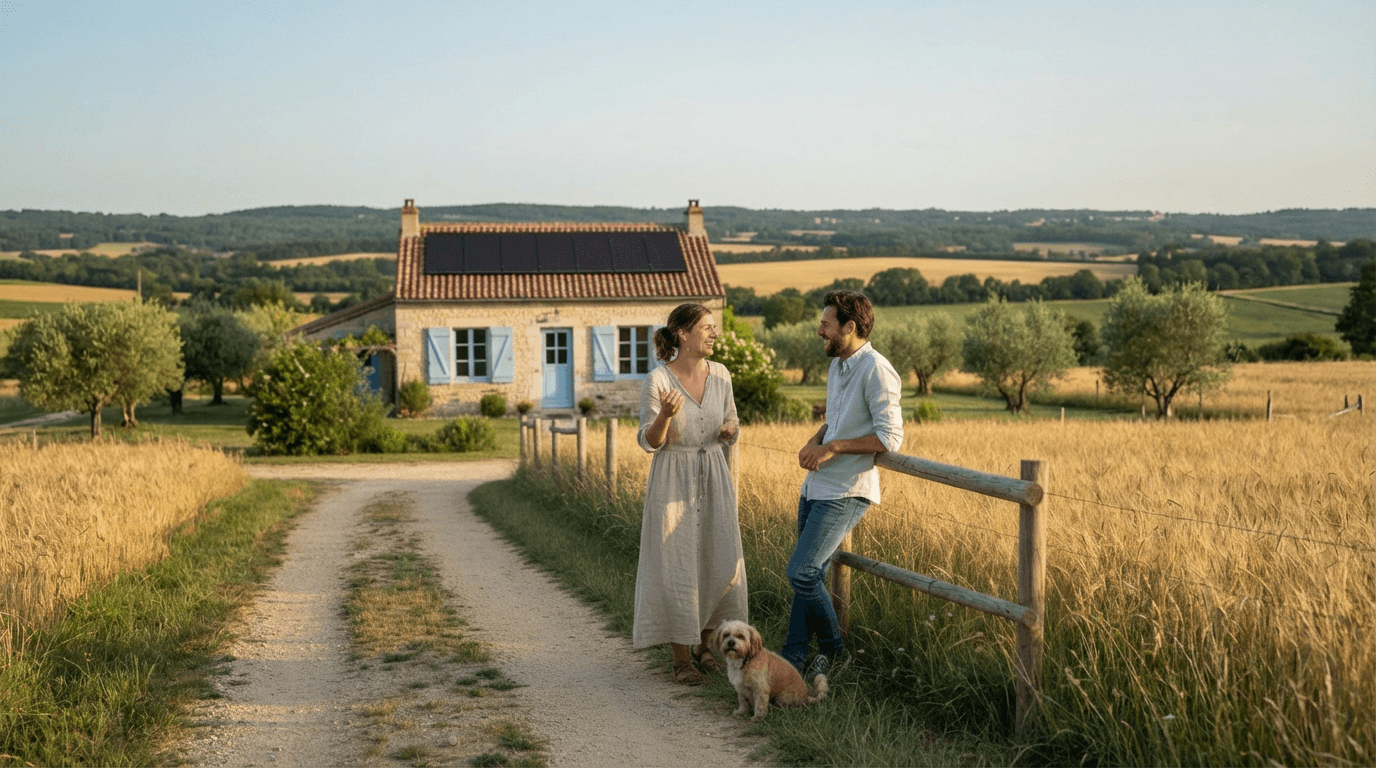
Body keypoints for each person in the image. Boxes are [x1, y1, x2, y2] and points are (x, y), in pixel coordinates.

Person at [783, 290, 905, 680]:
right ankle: (793, 658)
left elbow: (890, 438)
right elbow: (836, 421)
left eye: (826, 323)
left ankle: (836, 655)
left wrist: (833, 446)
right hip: (817, 486)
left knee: (801, 573)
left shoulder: (877, 370)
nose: (819, 330)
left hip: (848, 490)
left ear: (849, 327)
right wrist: (816, 441)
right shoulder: (838, 365)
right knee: (811, 574)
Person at [633, 303, 746, 684]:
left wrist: (731, 430)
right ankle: (680, 657)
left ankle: (705, 647)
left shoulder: (722, 375)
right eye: (707, 327)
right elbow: (649, 442)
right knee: (675, 564)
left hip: (715, 475)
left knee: (716, 559)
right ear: (682, 334)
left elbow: (731, 419)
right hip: (673, 477)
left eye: (715, 327)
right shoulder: (658, 380)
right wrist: (664, 415)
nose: (715, 334)